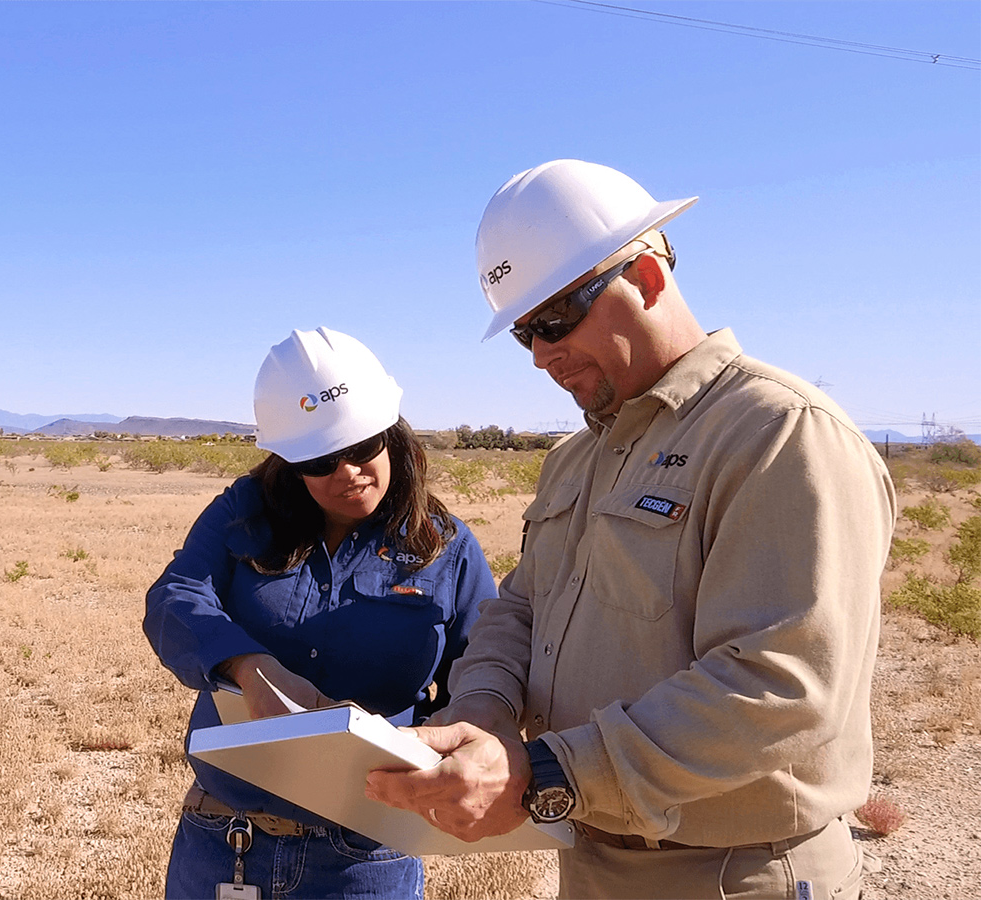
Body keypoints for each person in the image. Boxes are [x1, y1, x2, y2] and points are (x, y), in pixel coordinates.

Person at [365, 159, 896, 899]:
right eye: (524, 335)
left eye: (554, 320)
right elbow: (519, 608)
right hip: (592, 855)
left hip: (734, 871)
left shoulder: (778, 433)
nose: (542, 355)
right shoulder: (576, 458)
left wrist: (547, 771)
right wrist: (483, 711)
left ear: (645, 277)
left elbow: (784, 682)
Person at [144, 327, 499, 900]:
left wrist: (438, 746)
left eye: (362, 448)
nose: (347, 472)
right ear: (288, 460)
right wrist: (249, 666)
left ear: (392, 435)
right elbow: (175, 596)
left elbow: (487, 665)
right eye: (320, 459)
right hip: (227, 844)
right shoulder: (244, 513)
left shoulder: (445, 547)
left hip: (367, 857)